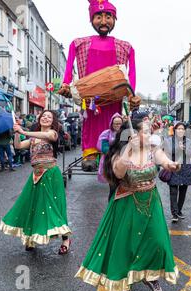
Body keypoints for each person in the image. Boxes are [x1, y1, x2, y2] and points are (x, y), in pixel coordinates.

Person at [75, 117, 180, 291]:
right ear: (133, 134)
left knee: (156, 242)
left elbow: (164, 160)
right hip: (127, 203)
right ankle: (123, 280)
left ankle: (151, 276)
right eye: (146, 132)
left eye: (149, 131)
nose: (149, 135)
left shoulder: (152, 150)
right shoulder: (120, 152)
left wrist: (171, 165)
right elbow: (118, 172)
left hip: (150, 202)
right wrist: (129, 149)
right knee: (125, 245)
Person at [59, 0, 141, 172]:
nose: (104, 21)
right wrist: (65, 84)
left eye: (108, 16)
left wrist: (132, 94)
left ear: (115, 19)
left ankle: (112, 154)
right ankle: (90, 153)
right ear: (91, 19)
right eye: (98, 16)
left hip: (114, 97)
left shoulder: (126, 47)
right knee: (90, 121)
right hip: (89, 98)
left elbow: (131, 73)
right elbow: (69, 66)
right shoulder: (78, 43)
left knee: (115, 121)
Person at [0, 110, 72, 253]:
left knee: (55, 206)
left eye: (49, 117)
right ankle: (31, 238)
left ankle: (66, 239)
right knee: (33, 206)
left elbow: (46, 135)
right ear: (39, 119)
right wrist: (16, 132)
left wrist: (24, 131)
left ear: (53, 121)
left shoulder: (52, 134)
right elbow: (18, 146)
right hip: (36, 175)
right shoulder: (33, 139)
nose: (45, 118)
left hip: (51, 174)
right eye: (43, 116)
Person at [165, 122, 191, 223]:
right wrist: (178, 148)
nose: (180, 130)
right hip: (174, 167)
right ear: (175, 130)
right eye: (178, 129)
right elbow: (168, 152)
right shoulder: (169, 140)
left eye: (182, 129)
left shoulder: (189, 141)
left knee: (183, 192)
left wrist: (185, 149)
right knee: (173, 192)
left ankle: (179, 210)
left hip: (185, 168)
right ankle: (174, 213)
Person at [97, 113, 124, 200]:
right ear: (112, 124)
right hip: (111, 164)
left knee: (123, 189)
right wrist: (114, 154)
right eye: (116, 123)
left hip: (123, 165)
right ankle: (111, 208)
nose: (118, 125)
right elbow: (104, 147)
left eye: (120, 123)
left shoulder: (125, 134)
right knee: (113, 188)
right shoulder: (106, 134)